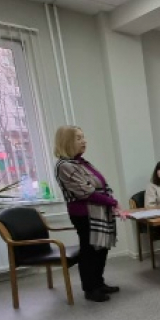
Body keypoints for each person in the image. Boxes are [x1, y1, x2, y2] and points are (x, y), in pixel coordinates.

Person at [53, 125, 128, 303]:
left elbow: (101, 185)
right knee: (89, 251)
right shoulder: (65, 165)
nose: (84, 141)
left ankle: (99, 283)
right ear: (67, 141)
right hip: (84, 214)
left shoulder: (81, 162)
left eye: (83, 137)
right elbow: (85, 192)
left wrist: (110, 202)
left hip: (98, 212)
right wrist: (113, 202)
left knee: (100, 249)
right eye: (78, 138)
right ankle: (90, 289)